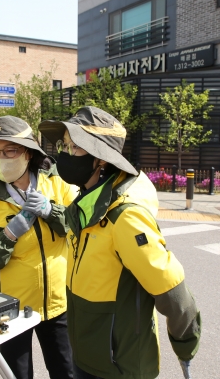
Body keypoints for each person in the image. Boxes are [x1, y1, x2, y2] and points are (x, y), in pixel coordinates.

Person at [39, 106, 202, 379]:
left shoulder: (125, 217)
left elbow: (175, 296)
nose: (65, 154)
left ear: (101, 159)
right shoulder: (85, 205)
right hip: (86, 357)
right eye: (64, 145)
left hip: (118, 367)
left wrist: (186, 347)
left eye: (75, 147)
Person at [0, 116, 76, 379]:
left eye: (11, 150)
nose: (2, 157)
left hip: (60, 302)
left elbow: (79, 228)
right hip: (10, 311)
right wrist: (9, 235)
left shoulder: (57, 181)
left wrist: (50, 210)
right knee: (17, 374)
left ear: (28, 153)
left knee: (68, 371)